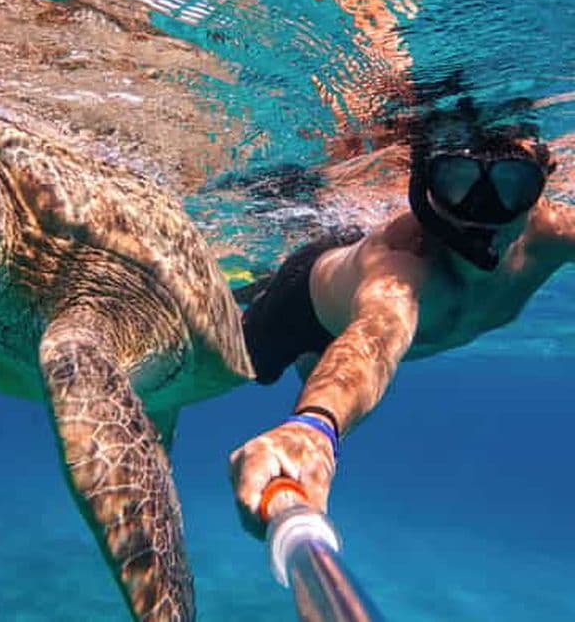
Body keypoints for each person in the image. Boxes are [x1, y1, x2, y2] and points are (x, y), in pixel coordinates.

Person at [229, 122, 575, 535]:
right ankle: (258, 286)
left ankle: (309, 357)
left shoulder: (553, 232)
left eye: (512, 184)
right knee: (236, 365)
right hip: (302, 305)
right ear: (426, 186)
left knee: (305, 367)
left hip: (344, 298)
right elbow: (374, 338)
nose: (484, 212)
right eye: (457, 182)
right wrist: (314, 428)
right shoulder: (403, 264)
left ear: (542, 182)